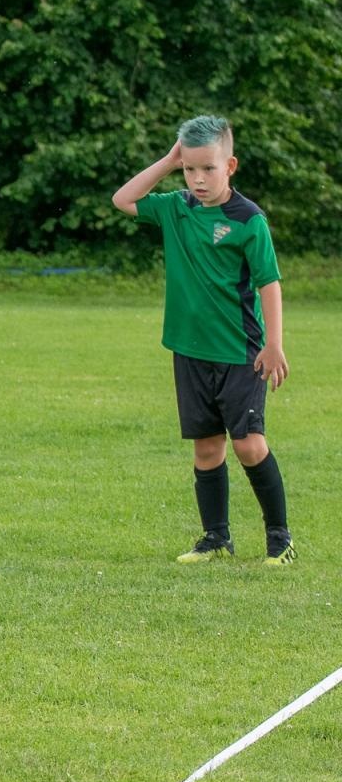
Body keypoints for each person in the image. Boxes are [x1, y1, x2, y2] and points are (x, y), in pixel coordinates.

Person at [112, 114, 295, 566]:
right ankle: (216, 538)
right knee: (207, 447)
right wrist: (169, 160)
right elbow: (123, 199)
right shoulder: (177, 208)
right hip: (190, 350)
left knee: (248, 444)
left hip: (241, 352)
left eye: (207, 169)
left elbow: (269, 283)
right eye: (189, 169)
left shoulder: (249, 221)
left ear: (229, 166)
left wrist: (274, 344)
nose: (197, 179)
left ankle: (280, 539)